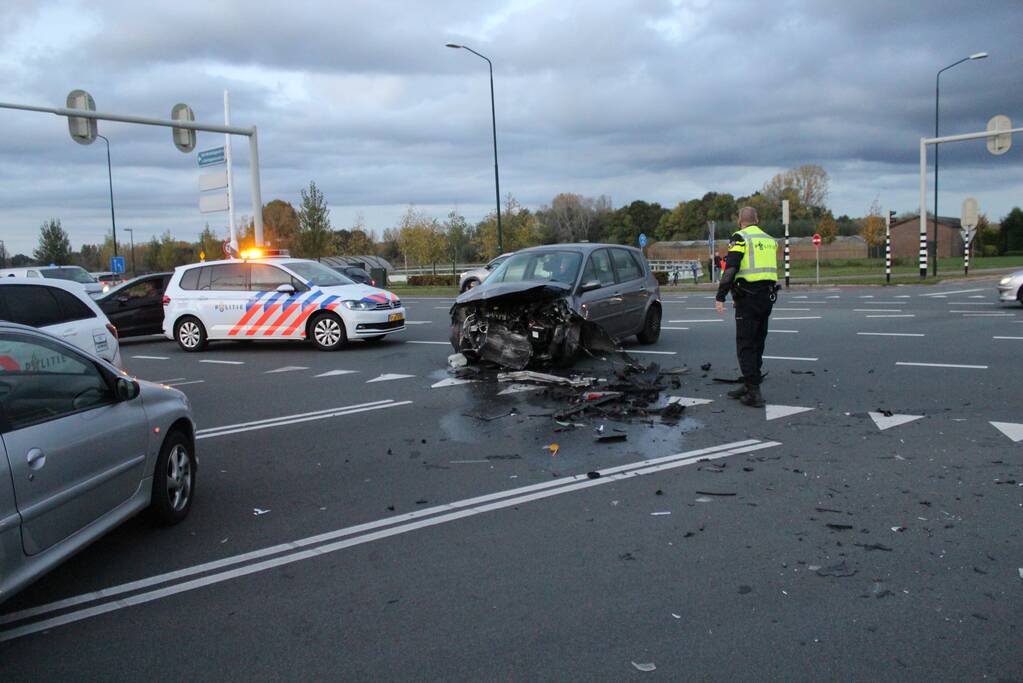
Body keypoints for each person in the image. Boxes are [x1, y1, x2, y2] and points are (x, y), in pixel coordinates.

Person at [714, 207, 779, 407]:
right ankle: (750, 381)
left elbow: (731, 267)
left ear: (738, 220)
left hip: (748, 298)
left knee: (745, 344)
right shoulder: (770, 240)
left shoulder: (740, 238)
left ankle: (753, 392)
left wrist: (721, 295)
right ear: (757, 219)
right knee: (758, 341)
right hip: (767, 297)